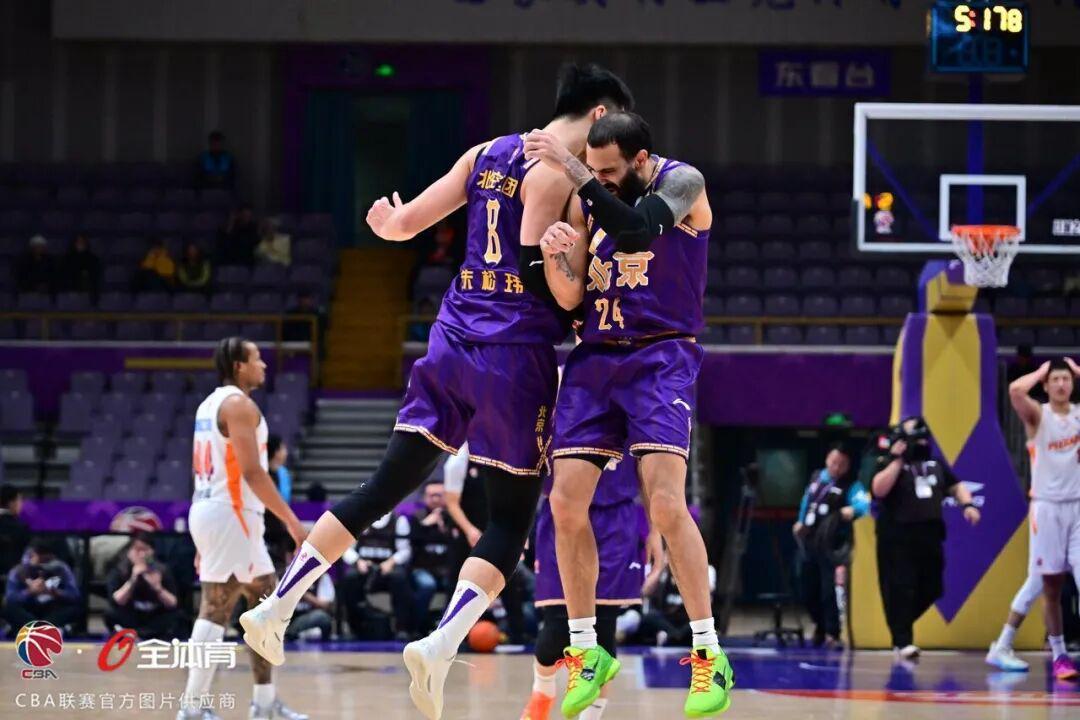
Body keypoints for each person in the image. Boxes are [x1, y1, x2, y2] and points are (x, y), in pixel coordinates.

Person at [239, 63, 633, 720]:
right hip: (514, 353)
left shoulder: (483, 154)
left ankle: (276, 606)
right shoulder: (561, 175)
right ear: (599, 115)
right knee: (509, 521)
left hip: (450, 335)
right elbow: (547, 283)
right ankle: (442, 641)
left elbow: (401, 227)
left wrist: (385, 219)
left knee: (382, 486)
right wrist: (579, 288)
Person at [523, 111, 732, 717]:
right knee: (564, 504)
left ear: (641, 160)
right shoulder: (589, 198)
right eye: (593, 168)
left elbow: (638, 231)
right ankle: (586, 648)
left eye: (609, 170)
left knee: (664, 504)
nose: (599, 178)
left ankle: (708, 652)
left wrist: (572, 170)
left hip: (660, 356)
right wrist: (555, 256)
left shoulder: (682, 183)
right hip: (594, 357)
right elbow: (570, 296)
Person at [177, 338, 309, 720]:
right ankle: (192, 707)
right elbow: (253, 472)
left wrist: (206, 538)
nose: (263, 365)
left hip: (216, 512)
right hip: (231, 513)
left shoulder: (208, 405)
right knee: (216, 607)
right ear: (239, 365)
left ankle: (264, 702)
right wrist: (291, 520)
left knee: (265, 603)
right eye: (257, 359)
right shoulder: (238, 405)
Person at [520, 456, 662, 720]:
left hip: (615, 520)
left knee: (603, 630)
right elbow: (529, 464)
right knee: (557, 627)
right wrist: (516, 526)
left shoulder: (631, 427)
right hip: (561, 514)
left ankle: (591, 717)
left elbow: (647, 472)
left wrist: (655, 531)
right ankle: (542, 692)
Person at [871, 416, 980, 662]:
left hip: (929, 533)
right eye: (914, 437)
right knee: (901, 589)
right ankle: (902, 641)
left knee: (932, 587)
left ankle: (900, 624)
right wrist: (897, 459)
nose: (919, 442)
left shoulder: (935, 464)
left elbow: (956, 485)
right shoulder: (886, 462)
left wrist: (968, 505)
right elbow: (878, 489)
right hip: (897, 537)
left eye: (922, 437)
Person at [1005, 358, 1080, 680]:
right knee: (1050, 586)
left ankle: (1005, 644)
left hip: (1077, 507)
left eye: (1066, 379)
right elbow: (1015, 391)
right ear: (1047, 386)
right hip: (1046, 508)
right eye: (1055, 380)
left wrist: (1077, 371)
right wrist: (1040, 371)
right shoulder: (1039, 415)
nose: (1061, 384)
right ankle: (1060, 655)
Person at [793, 445, 870, 648]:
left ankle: (832, 632)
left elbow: (864, 505)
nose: (836, 467)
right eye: (833, 462)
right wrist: (800, 521)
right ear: (827, 459)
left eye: (841, 464)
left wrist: (852, 510)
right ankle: (819, 625)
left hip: (831, 546)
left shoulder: (852, 485)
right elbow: (806, 502)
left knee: (828, 591)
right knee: (807, 589)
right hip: (809, 543)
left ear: (848, 466)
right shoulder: (816, 478)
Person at [338, 510, 414, 640]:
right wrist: (357, 561)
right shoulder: (359, 518)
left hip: (388, 567)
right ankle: (354, 627)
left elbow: (405, 550)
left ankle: (402, 628)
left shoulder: (399, 521)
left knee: (400, 579)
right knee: (350, 579)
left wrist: (392, 561)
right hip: (364, 566)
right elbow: (346, 548)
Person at [104, 533, 182, 640]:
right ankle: (130, 633)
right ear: (129, 552)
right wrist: (133, 580)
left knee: (176, 616)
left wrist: (158, 588)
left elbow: (173, 603)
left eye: (145, 550)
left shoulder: (162, 570)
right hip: (131, 615)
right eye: (137, 550)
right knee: (110, 613)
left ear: (152, 551)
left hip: (154, 615)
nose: (141, 554)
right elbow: (117, 600)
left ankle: (148, 635)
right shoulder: (119, 570)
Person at [2, 539, 82, 635]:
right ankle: (47, 630)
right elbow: (11, 598)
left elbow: (75, 595)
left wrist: (55, 593)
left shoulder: (61, 568)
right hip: (28, 609)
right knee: (9, 609)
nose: (43, 564)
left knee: (75, 610)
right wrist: (30, 591)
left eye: (46, 560)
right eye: (40, 559)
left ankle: (30, 630)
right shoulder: (19, 570)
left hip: (52, 608)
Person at [406, 481, 456, 636]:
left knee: (456, 587)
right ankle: (416, 628)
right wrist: (425, 525)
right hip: (422, 568)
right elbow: (410, 546)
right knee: (427, 585)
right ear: (424, 497)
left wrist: (444, 528)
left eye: (439, 495)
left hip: (447, 569)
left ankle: (448, 630)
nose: (435, 499)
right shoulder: (416, 518)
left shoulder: (455, 517)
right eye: (431, 495)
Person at [279, 546, 334, 642]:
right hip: (288, 616)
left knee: (322, 617)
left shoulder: (323, 576)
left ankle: (290, 633)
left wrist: (304, 595)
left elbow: (325, 605)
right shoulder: (287, 573)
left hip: (308, 616)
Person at [0, 484, 31, 578]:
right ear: (11, 503)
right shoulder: (20, 527)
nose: (21, 504)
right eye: (20, 500)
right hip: (12, 578)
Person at [60, 234, 102, 299]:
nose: (80, 244)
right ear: (74, 243)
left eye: (82, 242)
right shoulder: (67, 258)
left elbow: (95, 276)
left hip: (88, 292)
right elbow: (64, 274)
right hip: (70, 292)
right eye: (78, 242)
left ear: (86, 243)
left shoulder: (93, 259)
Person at [267, 435, 292, 503]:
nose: (286, 453)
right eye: (283, 448)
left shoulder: (284, 473)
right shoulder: (263, 473)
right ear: (276, 452)